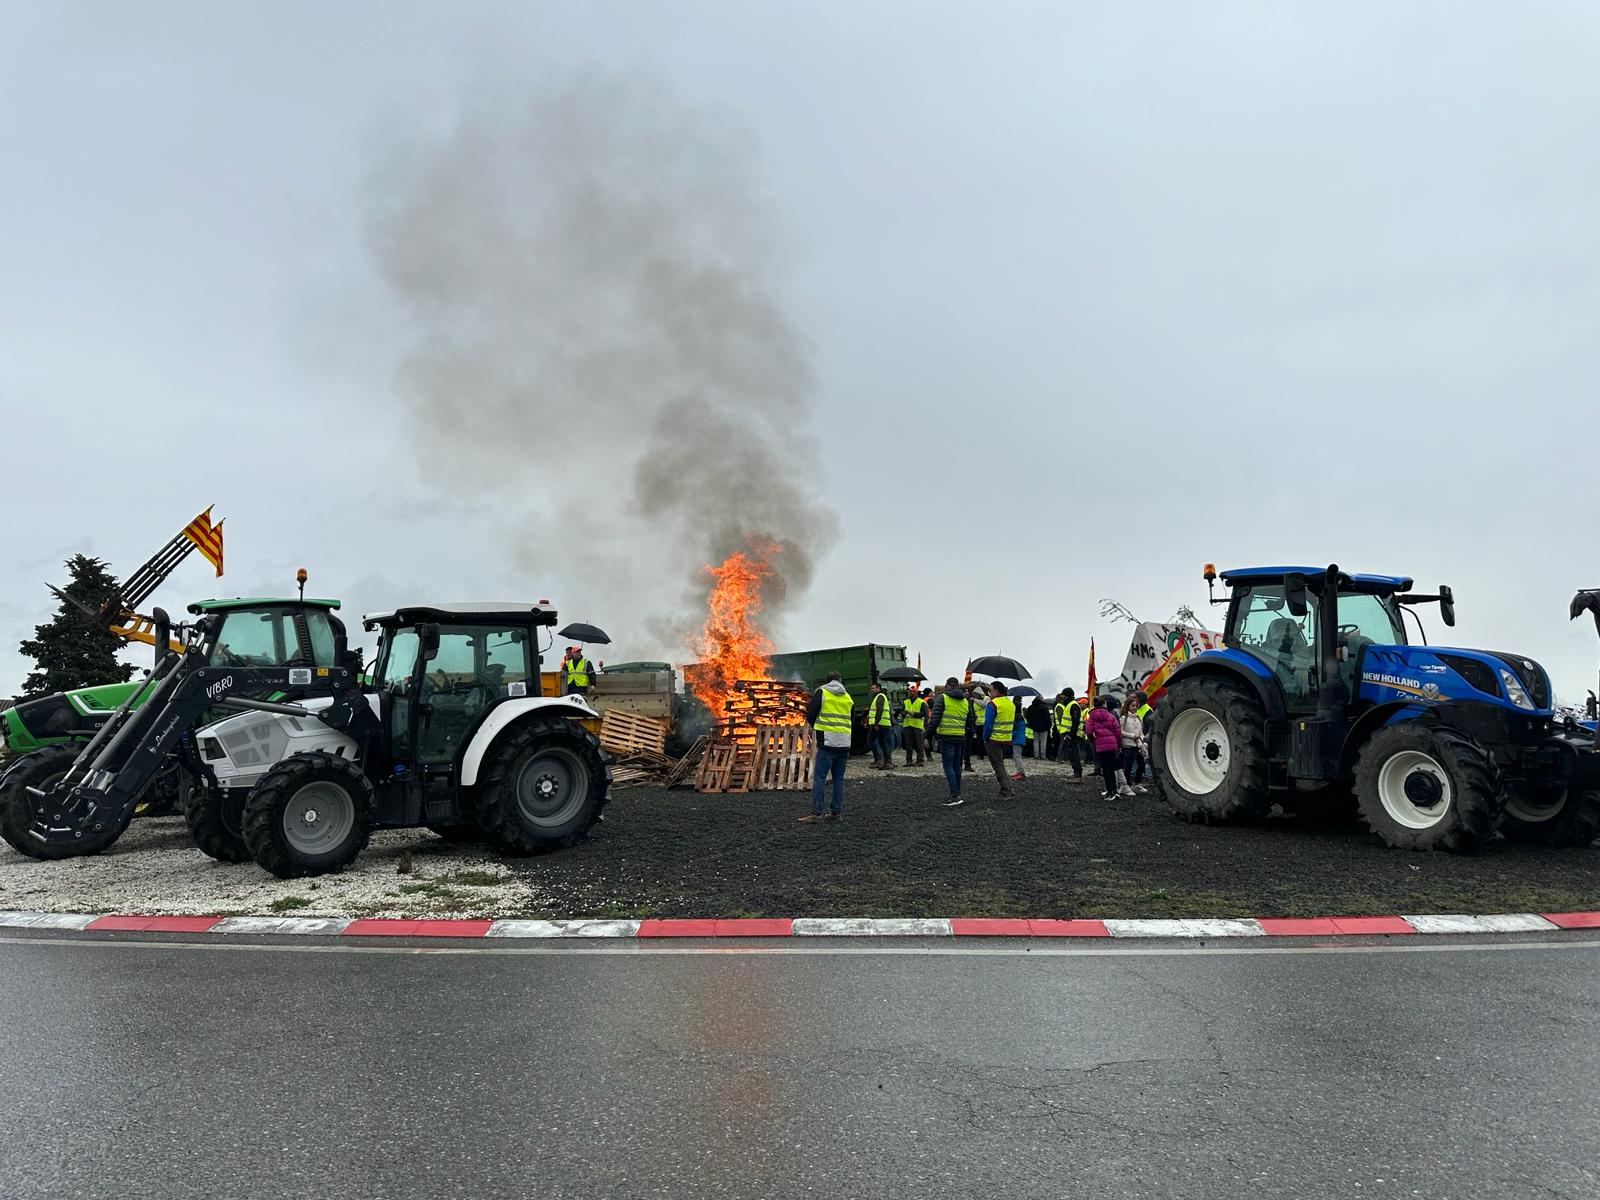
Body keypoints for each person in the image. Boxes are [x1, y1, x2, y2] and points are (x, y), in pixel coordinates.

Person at [802, 671, 853, 822]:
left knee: (819, 779)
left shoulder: (822, 692)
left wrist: (817, 728)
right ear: (839, 680)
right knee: (838, 780)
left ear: (827, 681)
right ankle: (836, 813)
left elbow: (810, 713)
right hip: (844, 743)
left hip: (827, 742)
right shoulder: (847, 696)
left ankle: (816, 814)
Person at [927, 677, 974, 806]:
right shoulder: (965, 701)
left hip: (946, 737)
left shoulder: (942, 698)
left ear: (947, 686)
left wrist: (927, 736)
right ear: (958, 686)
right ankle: (956, 793)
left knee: (948, 766)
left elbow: (934, 720)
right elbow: (971, 720)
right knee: (957, 767)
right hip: (960, 737)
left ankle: (955, 796)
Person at [1087, 696, 1134, 798]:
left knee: (1105, 769)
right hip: (1112, 745)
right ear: (1104, 704)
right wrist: (1118, 744)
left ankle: (1109, 791)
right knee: (1112, 768)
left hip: (1100, 745)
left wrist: (1093, 741)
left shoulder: (1092, 717)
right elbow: (1118, 732)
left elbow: (1089, 732)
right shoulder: (1111, 716)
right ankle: (1115, 791)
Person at [982, 682, 1018, 799]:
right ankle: (1007, 789)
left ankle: (1007, 790)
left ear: (997, 691)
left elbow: (988, 724)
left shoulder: (993, 704)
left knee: (998, 766)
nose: (989, 693)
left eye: (990, 690)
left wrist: (985, 737)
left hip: (994, 739)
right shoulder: (1010, 703)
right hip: (1006, 739)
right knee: (1000, 765)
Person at [1119, 697, 1150, 795]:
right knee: (1128, 766)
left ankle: (1137, 783)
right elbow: (1120, 732)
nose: (1135, 708)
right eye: (1132, 706)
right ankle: (1126, 786)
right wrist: (1132, 736)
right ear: (1127, 706)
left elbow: (1140, 731)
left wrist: (1143, 740)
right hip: (1128, 746)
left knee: (1141, 764)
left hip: (1138, 745)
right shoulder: (1123, 718)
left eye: (1136, 705)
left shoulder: (1137, 717)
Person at [1057, 688, 1086, 783]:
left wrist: (1070, 735)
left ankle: (1078, 776)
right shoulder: (1070, 705)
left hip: (1073, 735)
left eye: (1064, 696)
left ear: (1068, 696)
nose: (1063, 698)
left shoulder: (1073, 705)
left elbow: (1076, 721)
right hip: (1070, 734)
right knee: (1071, 755)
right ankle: (1076, 774)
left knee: (1074, 755)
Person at [866, 682, 894, 770]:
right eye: (871, 688)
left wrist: (876, 723)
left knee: (871, 740)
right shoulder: (878, 697)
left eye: (873, 688)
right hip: (883, 724)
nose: (872, 690)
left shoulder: (880, 696)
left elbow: (879, 710)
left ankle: (880, 760)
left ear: (878, 688)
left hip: (881, 724)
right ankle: (886, 762)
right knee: (883, 743)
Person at [901, 686, 928, 767]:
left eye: (913, 691)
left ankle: (920, 760)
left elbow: (924, 714)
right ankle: (909, 761)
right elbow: (902, 713)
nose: (911, 693)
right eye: (910, 691)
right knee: (908, 744)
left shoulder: (922, 702)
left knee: (918, 744)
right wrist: (904, 713)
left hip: (917, 726)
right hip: (907, 725)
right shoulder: (905, 702)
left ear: (917, 692)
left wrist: (913, 714)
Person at [1010, 692, 1029, 781]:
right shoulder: (1020, 717)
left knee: (1017, 756)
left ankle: (1021, 773)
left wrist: (1011, 735)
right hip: (1020, 738)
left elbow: (1015, 729)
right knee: (1017, 755)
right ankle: (1019, 771)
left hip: (1017, 739)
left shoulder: (1016, 717)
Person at [1025, 695, 1050, 764]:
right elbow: (1048, 718)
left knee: (1035, 741)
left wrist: (1031, 724)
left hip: (1034, 727)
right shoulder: (1044, 707)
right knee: (1043, 742)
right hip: (1044, 727)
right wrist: (1048, 726)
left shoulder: (1030, 707)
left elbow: (1027, 716)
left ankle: (1036, 755)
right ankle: (1043, 755)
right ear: (1041, 700)